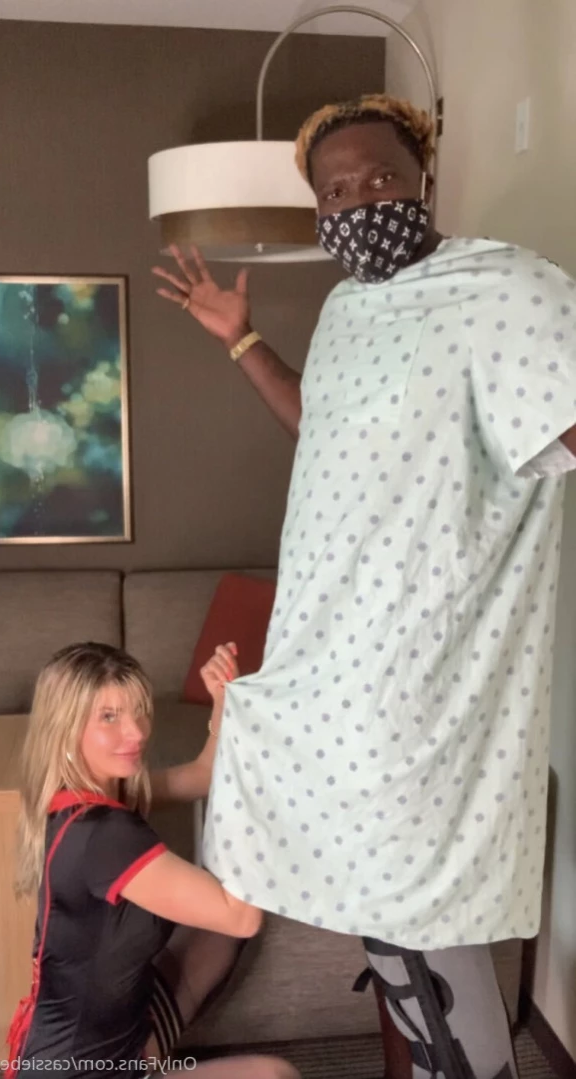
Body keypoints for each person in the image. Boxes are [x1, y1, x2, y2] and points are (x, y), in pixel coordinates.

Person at [153, 91, 576, 1079]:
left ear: (422, 178)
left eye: (379, 177)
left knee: (421, 903)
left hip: (425, 668)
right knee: (383, 910)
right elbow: (324, 426)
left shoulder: (505, 288)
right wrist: (241, 340)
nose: (358, 201)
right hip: (330, 657)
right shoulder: (347, 308)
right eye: (335, 193)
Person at [7, 639, 299, 1079]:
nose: (137, 732)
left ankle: (147, 1050)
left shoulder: (90, 793)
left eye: (138, 710)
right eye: (109, 717)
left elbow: (202, 775)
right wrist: (259, 796)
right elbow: (243, 917)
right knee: (275, 1076)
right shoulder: (104, 833)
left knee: (216, 936)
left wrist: (225, 703)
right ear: (66, 728)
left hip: (111, 1038)